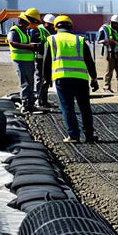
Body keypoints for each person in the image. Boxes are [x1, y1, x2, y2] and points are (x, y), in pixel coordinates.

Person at [42, 15, 99, 144]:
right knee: (85, 107)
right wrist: (94, 78)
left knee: (67, 107)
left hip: (62, 78)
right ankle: (89, 135)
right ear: (71, 26)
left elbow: (46, 62)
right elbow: (90, 61)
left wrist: (46, 79)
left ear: (56, 27)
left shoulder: (52, 39)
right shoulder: (80, 39)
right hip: (81, 78)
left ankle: (73, 135)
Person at [8, 8, 42, 113]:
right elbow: (13, 43)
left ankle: (30, 104)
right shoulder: (14, 30)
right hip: (21, 61)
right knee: (25, 83)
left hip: (28, 61)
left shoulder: (25, 31)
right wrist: (32, 47)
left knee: (30, 82)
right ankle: (26, 105)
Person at [97, 15, 118, 93]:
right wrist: (107, 42)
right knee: (109, 70)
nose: (116, 25)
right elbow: (99, 40)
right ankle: (107, 87)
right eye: (115, 23)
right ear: (112, 22)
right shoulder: (105, 29)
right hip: (110, 52)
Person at [31, 12, 55, 110]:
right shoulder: (37, 30)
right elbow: (35, 44)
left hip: (47, 59)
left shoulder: (47, 31)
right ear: (46, 23)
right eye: (50, 25)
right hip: (40, 58)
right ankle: (39, 100)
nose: (52, 27)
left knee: (46, 80)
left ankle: (44, 100)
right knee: (40, 79)